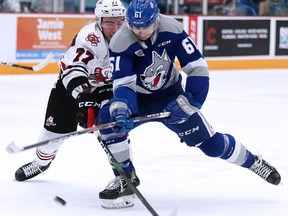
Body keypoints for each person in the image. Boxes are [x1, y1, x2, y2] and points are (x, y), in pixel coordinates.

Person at [97, 0, 281, 209]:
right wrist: (123, 107)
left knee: (212, 146)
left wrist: (189, 100)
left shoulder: (172, 29)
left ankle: (253, 162)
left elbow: (198, 68)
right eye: (135, 27)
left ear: (155, 19)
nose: (140, 32)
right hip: (139, 99)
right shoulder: (120, 41)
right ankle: (125, 179)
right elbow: (123, 83)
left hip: (171, 96)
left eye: (145, 26)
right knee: (109, 121)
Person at [14, 0, 126, 181]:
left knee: (111, 132)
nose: (116, 29)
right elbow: (73, 70)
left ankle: (124, 174)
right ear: (98, 21)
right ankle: (40, 163)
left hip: (107, 88)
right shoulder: (89, 38)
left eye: (120, 22)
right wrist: (83, 97)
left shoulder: (131, 35)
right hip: (72, 86)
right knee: (52, 135)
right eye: (109, 23)